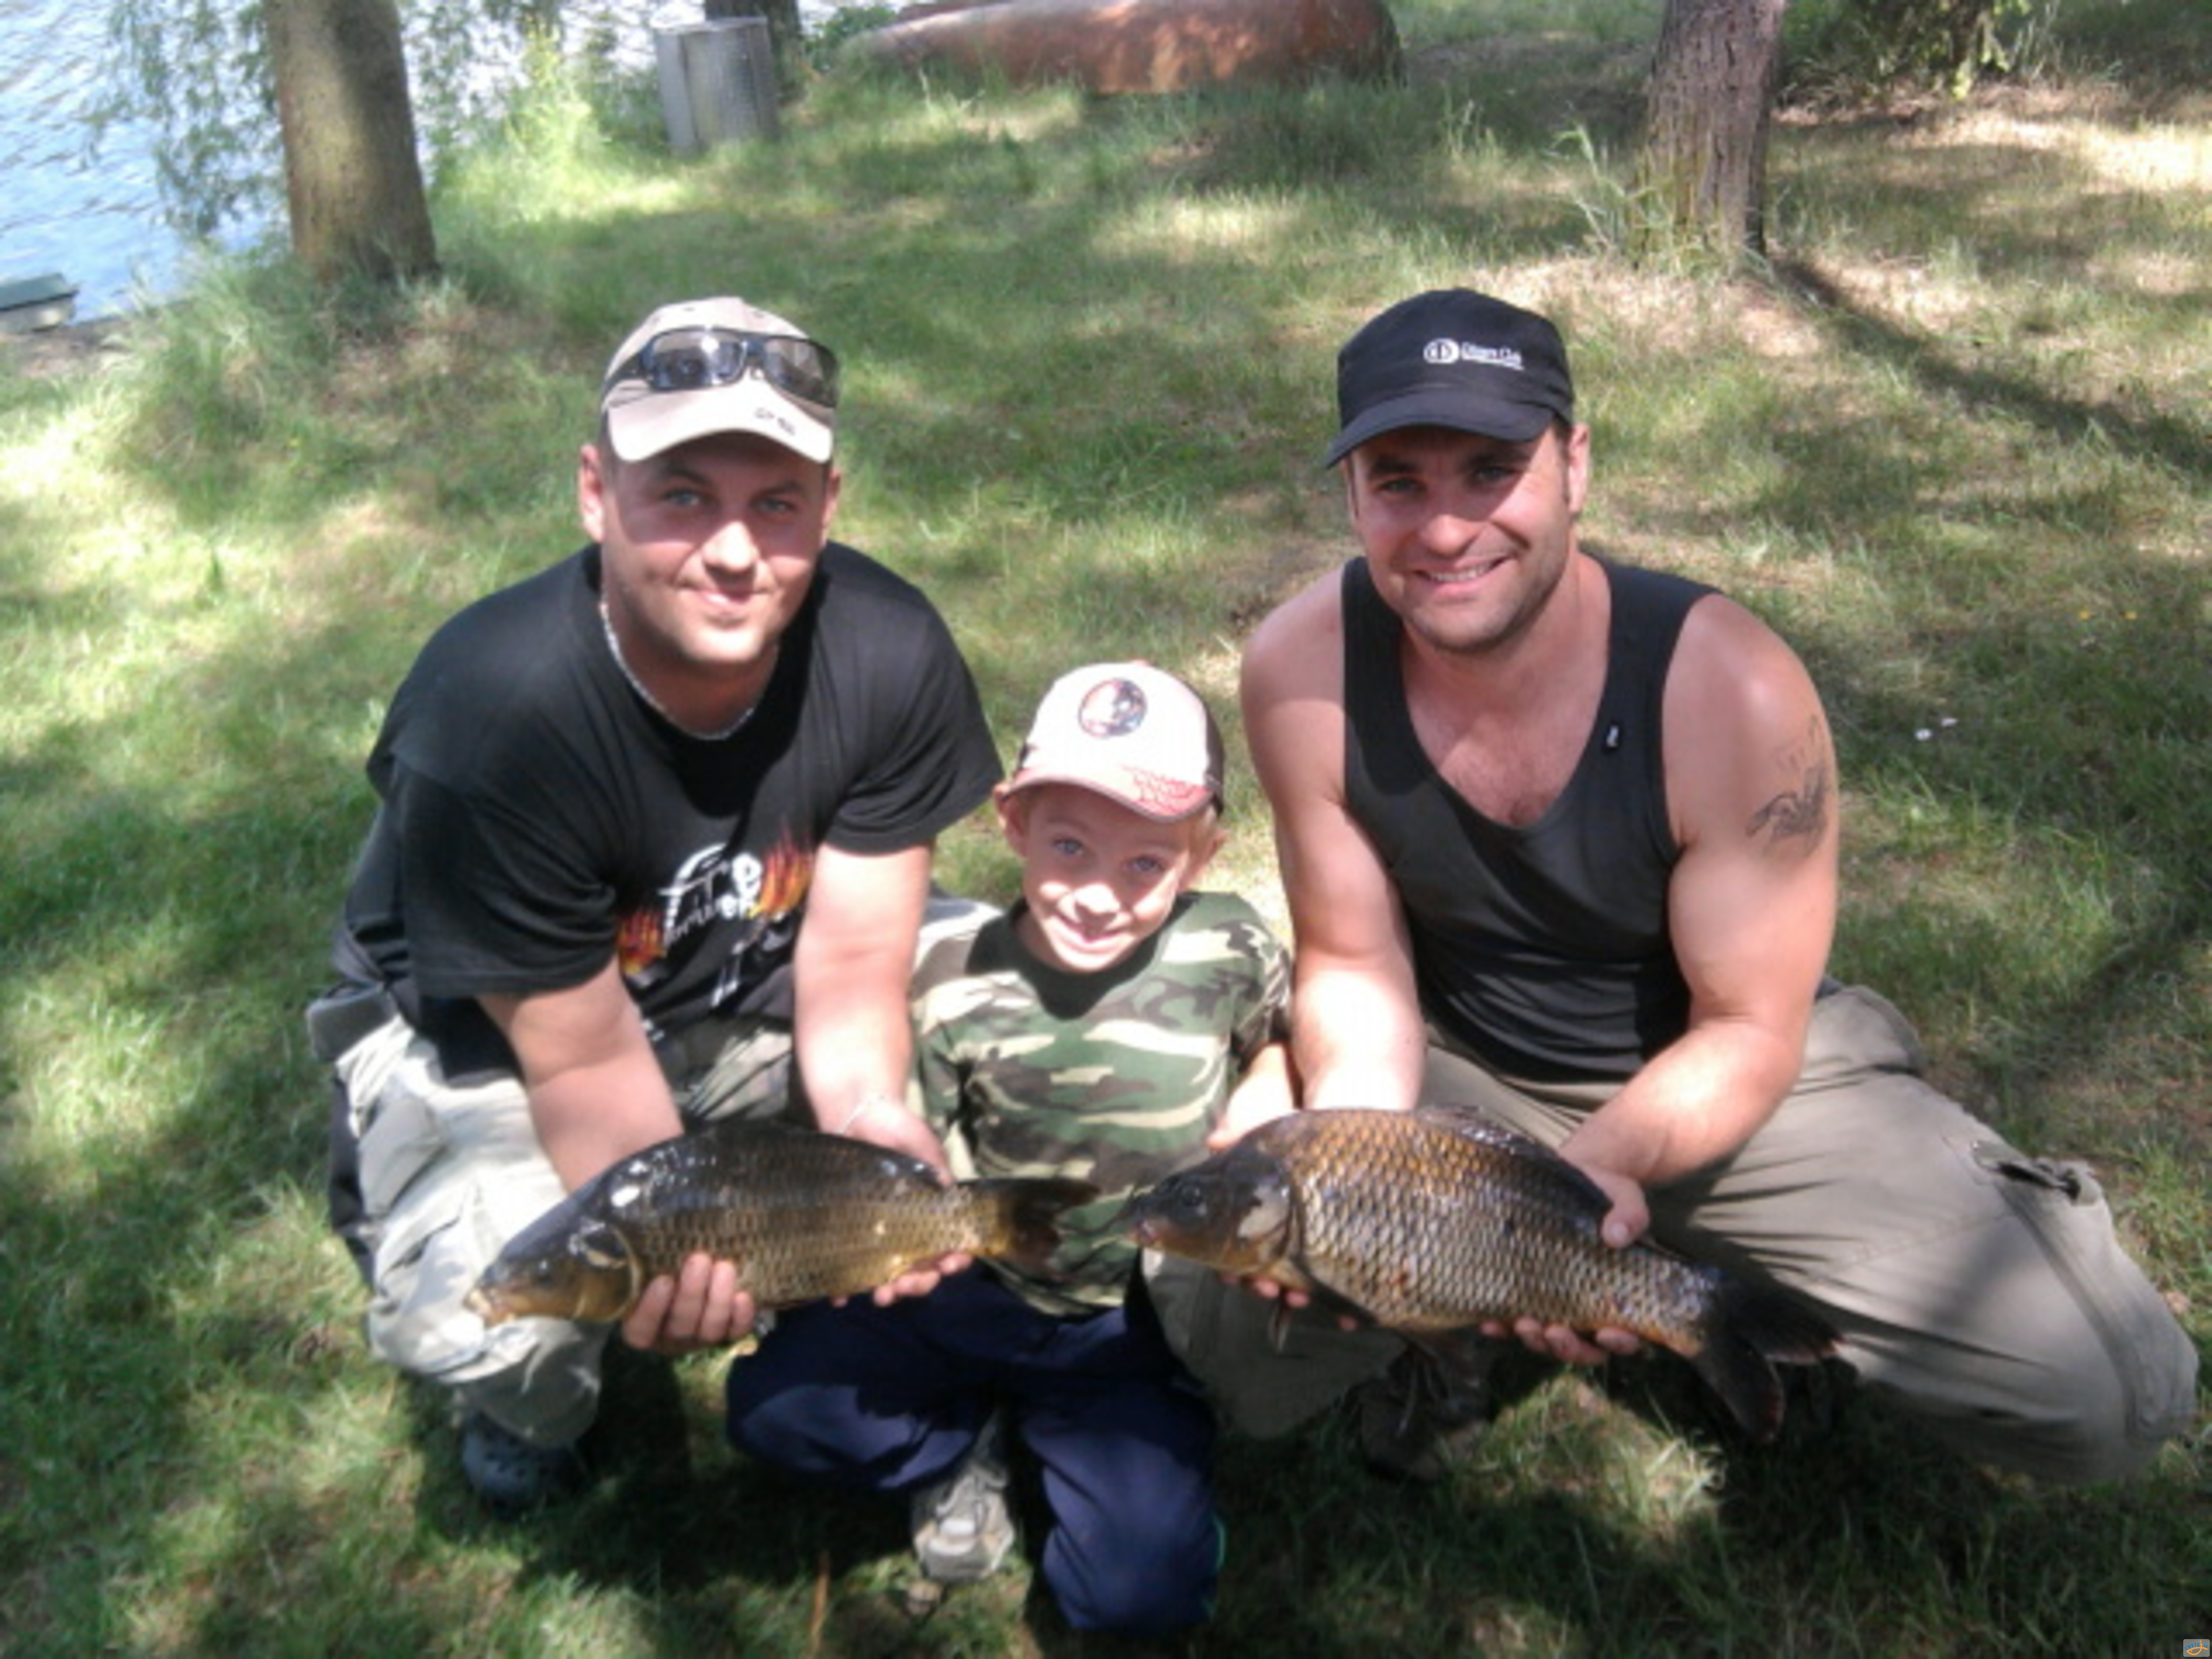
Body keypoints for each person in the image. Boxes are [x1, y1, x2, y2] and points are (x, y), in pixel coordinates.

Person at [1229, 287, 2197, 1484]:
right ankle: (1444, 1331)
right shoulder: (1303, 666)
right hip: (1466, 1065)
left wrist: (1587, 1185)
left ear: (1575, 466)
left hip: (1728, 1064)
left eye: (1491, 471)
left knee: (2110, 1393)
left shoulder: (1728, 684)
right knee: (1220, 1308)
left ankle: (1766, 1304)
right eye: (1399, 482)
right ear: (1352, 495)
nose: (1444, 529)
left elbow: (1749, 1026)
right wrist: (1358, 1158)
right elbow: (1354, 963)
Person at [306, 296, 1004, 1511]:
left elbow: (853, 965)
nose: (733, 550)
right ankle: (530, 1401)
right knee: (491, 1310)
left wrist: (870, 1116)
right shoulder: (490, 717)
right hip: (495, 1036)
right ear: (595, 492)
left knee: (1044, 1023)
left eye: (775, 503)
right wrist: (677, 1252)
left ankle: (934, 1340)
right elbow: (581, 1062)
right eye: (683, 495)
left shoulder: (889, 647)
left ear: (829, 504)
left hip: (755, 976)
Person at [726, 662, 1293, 1637]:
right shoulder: (950, 974)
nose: (1098, 895)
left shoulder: (1230, 946)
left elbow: (1286, 1031)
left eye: (1145, 863)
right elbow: (912, 1153)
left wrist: (1274, 1073)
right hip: (970, 1290)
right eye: (1069, 846)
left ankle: (1100, 1450)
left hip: (1133, 1320)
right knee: (772, 1411)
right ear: (1012, 822)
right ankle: (957, 1445)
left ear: (1204, 855)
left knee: (1136, 1603)